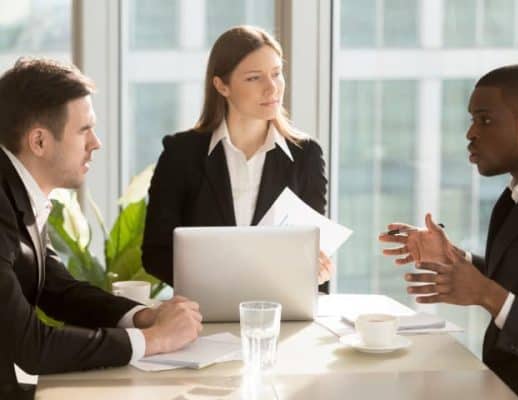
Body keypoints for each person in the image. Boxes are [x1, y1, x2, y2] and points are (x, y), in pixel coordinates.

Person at [379, 65, 518, 399]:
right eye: (471, 120)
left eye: (484, 120)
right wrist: (455, 258)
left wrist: (486, 294)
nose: (470, 134)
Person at [0, 58, 203, 399]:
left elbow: (57, 289)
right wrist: (155, 340)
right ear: (39, 142)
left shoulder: (17, 191)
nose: (97, 142)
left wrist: (144, 317)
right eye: (84, 130)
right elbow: (31, 346)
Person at [142, 26, 333, 291]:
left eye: (277, 74)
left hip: (280, 312)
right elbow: (156, 252)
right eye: (254, 78)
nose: (272, 88)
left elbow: (313, 249)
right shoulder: (181, 154)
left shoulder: (306, 155)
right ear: (222, 85)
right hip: (204, 313)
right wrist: (218, 287)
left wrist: (317, 273)